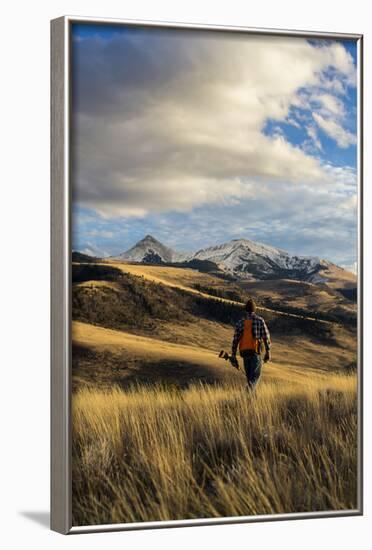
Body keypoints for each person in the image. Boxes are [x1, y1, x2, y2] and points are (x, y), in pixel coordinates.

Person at [231, 298, 271, 389]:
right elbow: (266, 337)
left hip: (245, 353)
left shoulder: (240, 323)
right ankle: (245, 395)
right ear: (255, 309)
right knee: (254, 379)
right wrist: (268, 352)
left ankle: (249, 402)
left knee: (250, 380)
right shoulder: (260, 320)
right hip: (255, 353)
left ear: (245, 309)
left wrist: (233, 355)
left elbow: (235, 340)